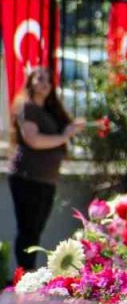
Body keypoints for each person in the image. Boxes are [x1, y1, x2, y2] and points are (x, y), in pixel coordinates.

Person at [7, 66, 84, 283]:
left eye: (48, 80)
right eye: (39, 78)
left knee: (36, 230)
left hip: (47, 180)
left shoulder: (50, 110)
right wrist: (63, 137)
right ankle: (24, 278)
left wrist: (70, 130)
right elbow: (33, 140)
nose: (44, 83)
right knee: (28, 230)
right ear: (30, 82)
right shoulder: (27, 107)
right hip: (27, 177)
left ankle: (28, 277)